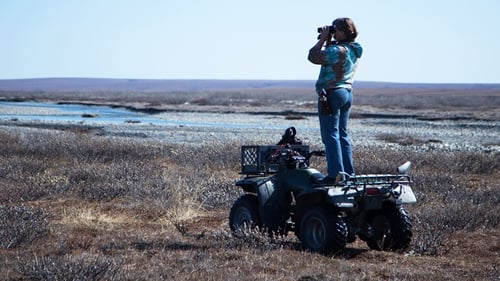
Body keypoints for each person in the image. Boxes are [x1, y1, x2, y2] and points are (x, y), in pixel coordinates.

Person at [308, 17, 363, 184]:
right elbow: (331, 58)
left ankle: (335, 175)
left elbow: (313, 56)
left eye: (335, 29)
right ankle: (348, 173)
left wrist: (324, 39)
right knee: (342, 135)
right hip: (346, 93)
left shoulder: (337, 51)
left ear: (342, 31)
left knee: (330, 135)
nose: (333, 32)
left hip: (332, 93)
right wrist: (329, 40)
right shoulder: (353, 49)